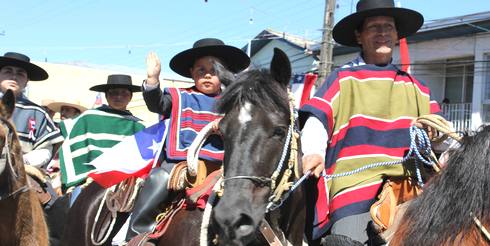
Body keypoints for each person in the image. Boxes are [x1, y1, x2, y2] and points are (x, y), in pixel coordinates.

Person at [299, 0, 441, 244]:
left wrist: (440, 141)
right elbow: (317, 120)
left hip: (410, 190)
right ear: (359, 36)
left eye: (388, 27)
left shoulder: (418, 88)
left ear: (397, 35)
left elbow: (443, 139)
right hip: (355, 187)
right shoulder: (341, 80)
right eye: (374, 27)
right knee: (345, 239)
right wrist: (313, 152)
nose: (383, 33)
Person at [125, 38, 250, 240]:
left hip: (223, 168)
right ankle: (138, 235)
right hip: (182, 165)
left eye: (215, 70)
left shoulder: (236, 104)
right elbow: (157, 103)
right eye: (201, 70)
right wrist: (152, 80)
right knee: (159, 178)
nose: (207, 74)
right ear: (192, 73)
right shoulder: (179, 96)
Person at [58, 74, 145, 190]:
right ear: (106, 96)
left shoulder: (138, 126)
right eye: (114, 93)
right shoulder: (89, 117)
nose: (119, 96)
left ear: (130, 97)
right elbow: (68, 135)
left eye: (124, 93)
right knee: (75, 201)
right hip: (89, 179)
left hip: (124, 181)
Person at [0, 52, 63, 168]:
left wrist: (19, 161)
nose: (14, 77)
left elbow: (46, 150)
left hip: (23, 170)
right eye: (8, 71)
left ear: (27, 81)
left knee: (45, 186)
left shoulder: (38, 112)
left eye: (20, 74)